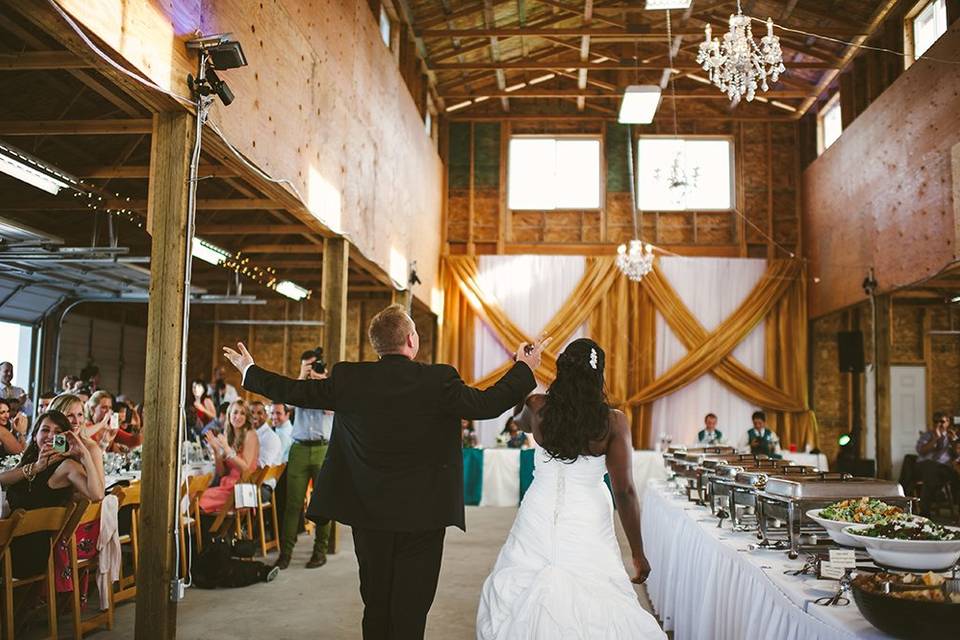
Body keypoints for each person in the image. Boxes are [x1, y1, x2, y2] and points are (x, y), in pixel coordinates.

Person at [224, 304, 541, 639]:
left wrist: (250, 371)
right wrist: (522, 367)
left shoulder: (349, 378)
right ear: (410, 339)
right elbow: (488, 404)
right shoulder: (439, 380)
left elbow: (295, 392)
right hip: (423, 515)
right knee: (411, 608)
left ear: (377, 345)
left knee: (375, 603)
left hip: (369, 513)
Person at [477, 339, 666, 639]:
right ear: (598, 375)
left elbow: (517, 420)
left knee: (529, 570)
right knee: (593, 583)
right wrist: (638, 553)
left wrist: (522, 370)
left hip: (540, 505)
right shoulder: (613, 422)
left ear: (562, 370)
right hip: (588, 511)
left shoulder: (538, 406)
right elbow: (625, 492)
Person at [0, 411, 105, 581]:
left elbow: (97, 494)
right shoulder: (32, 460)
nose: (50, 436)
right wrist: (36, 467)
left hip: (24, 554)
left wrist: (84, 454)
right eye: (45, 430)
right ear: (35, 436)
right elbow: (2, 480)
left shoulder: (67, 466)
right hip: (11, 545)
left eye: (58, 433)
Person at [265, 348, 335, 570]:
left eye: (313, 365)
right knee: (293, 504)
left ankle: (320, 551)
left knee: (324, 502)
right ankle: (285, 553)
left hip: (323, 448)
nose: (311, 369)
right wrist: (302, 378)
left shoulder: (329, 386)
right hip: (300, 449)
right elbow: (287, 405)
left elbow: (332, 408)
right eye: (307, 366)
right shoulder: (298, 387)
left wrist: (321, 381)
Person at [199, 399, 260, 515]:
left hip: (241, 489)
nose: (238, 416)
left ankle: (210, 532)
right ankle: (209, 532)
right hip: (227, 487)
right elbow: (221, 473)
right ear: (229, 415)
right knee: (194, 495)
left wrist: (227, 449)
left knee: (196, 499)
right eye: (235, 412)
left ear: (247, 417)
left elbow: (245, 468)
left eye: (242, 413)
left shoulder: (250, 435)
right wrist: (216, 451)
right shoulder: (229, 435)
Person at [915, 411, 960, 517]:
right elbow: (921, 451)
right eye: (935, 421)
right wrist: (935, 438)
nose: (938, 424)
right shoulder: (927, 435)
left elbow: (957, 455)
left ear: (948, 422)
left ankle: (939, 503)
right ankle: (927, 509)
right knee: (931, 470)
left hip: (943, 468)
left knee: (955, 477)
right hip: (925, 466)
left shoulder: (952, 437)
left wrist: (953, 442)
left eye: (942, 421)